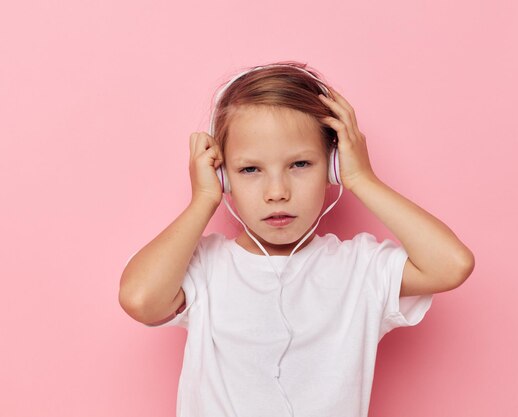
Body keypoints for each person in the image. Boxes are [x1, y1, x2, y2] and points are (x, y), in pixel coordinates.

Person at [119, 60, 475, 417]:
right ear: (223, 176)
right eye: (250, 169)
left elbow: (451, 264)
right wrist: (203, 200)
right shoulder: (205, 267)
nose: (277, 192)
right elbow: (140, 299)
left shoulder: (360, 268)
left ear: (333, 167)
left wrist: (363, 179)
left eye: (300, 165)